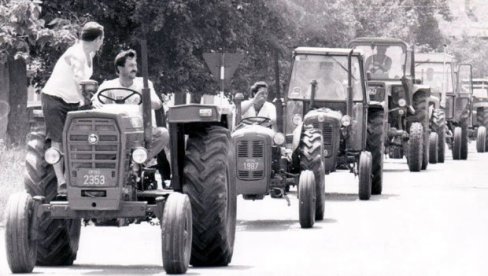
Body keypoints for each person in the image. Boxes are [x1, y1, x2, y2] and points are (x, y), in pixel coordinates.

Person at [41, 21, 104, 195]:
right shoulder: (76, 54)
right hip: (54, 98)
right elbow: (78, 79)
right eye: (101, 40)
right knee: (58, 139)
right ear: (98, 39)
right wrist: (84, 100)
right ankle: (61, 181)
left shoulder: (89, 55)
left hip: (72, 101)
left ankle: (77, 177)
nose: (101, 43)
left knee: (81, 138)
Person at [92, 49, 169, 165]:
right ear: (120, 68)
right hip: (116, 132)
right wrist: (96, 103)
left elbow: (157, 103)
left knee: (163, 134)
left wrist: (146, 101)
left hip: (140, 131)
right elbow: (96, 101)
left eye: (135, 65)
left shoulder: (144, 84)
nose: (135, 68)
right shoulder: (108, 85)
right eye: (130, 65)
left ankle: (138, 160)